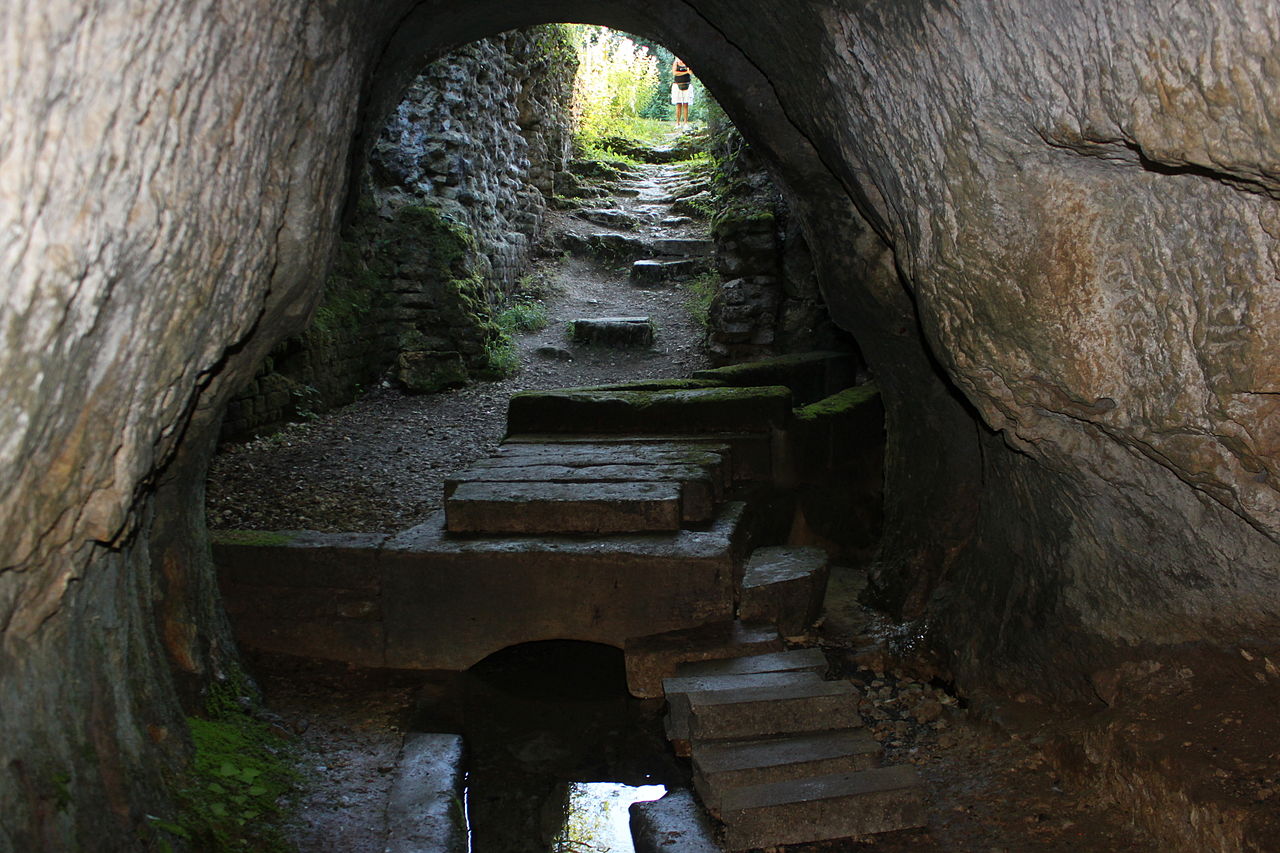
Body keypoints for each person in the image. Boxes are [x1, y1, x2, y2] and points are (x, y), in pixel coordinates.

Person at [670, 58, 694, 126]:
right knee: (678, 104)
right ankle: (677, 123)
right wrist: (686, 72)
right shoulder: (676, 63)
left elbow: (691, 72)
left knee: (686, 104)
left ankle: (685, 123)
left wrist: (687, 72)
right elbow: (674, 73)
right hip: (677, 85)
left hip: (687, 85)